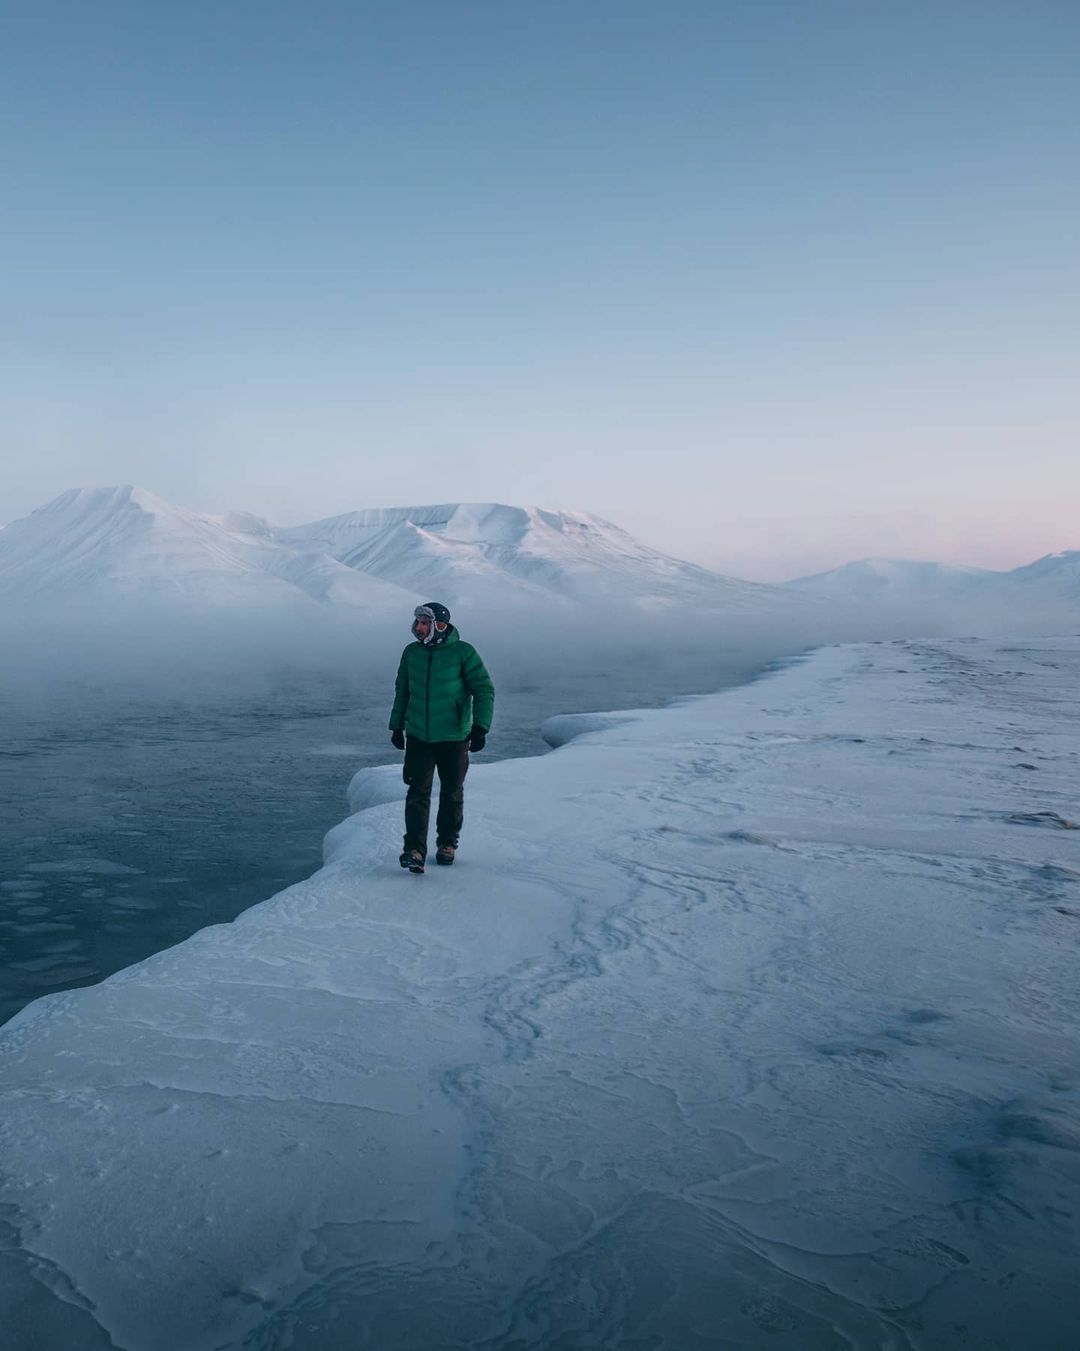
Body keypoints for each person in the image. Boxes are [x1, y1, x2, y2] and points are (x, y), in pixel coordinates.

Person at [389, 602, 495, 874]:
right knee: (417, 793)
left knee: (451, 792)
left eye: (426, 623)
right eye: (418, 623)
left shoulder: (463, 652)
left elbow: (484, 689)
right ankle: (414, 850)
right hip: (419, 736)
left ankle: (447, 844)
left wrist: (480, 727)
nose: (420, 628)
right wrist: (397, 726)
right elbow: (402, 690)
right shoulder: (411, 653)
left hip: (453, 736)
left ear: (440, 626)